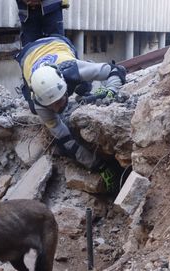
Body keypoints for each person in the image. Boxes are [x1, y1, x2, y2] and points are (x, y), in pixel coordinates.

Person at [16, 35, 127, 193]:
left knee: (83, 86)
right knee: (33, 109)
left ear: (63, 86)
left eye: (60, 100)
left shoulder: (72, 70)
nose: (57, 108)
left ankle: (88, 74)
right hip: (27, 54)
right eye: (52, 105)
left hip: (59, 43)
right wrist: (99, 166)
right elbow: (65, 140)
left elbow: (117, 70)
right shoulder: (39, 105)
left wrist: (110, 92)